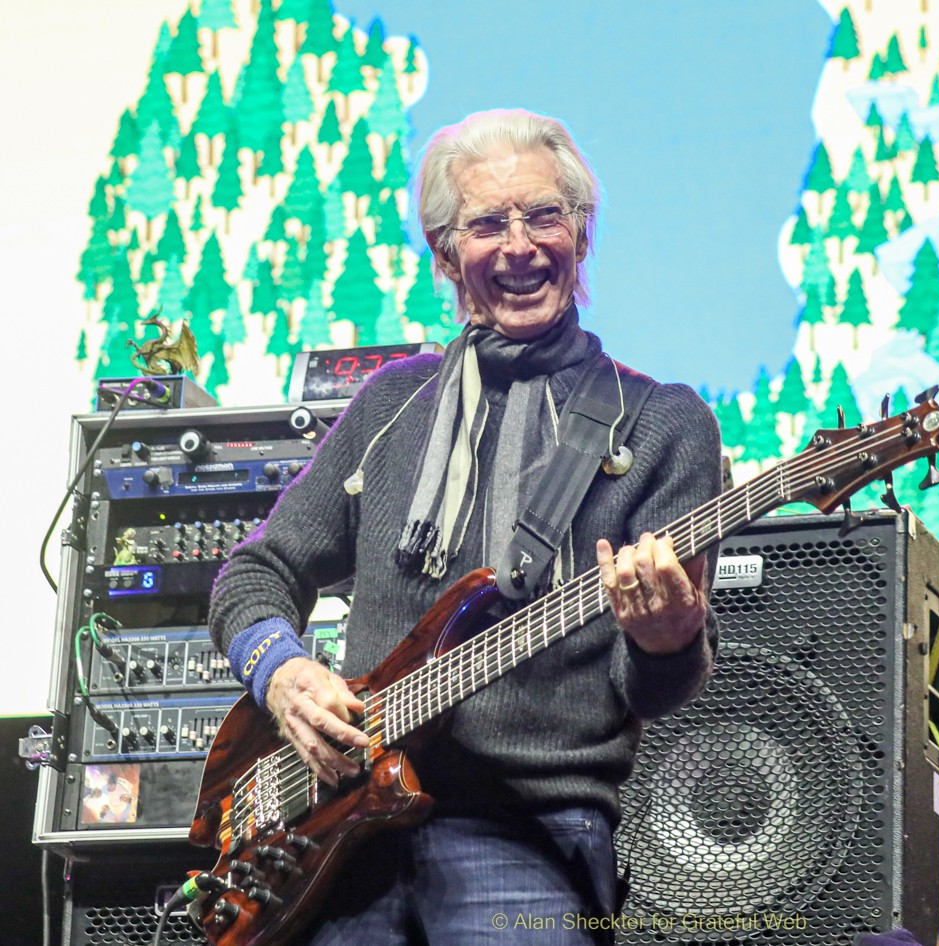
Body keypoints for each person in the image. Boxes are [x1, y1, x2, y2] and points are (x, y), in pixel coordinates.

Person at [208, 109, 723, 945]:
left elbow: (654, 692)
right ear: (446, 255)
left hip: (533, 831)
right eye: (488, 224)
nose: (520, 247)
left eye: (544, 216)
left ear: (581, 235)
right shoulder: (391, 401)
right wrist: (284, 674)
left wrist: (668, 638)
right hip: (339, 825)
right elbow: (255, 572)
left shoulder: (661, 424)